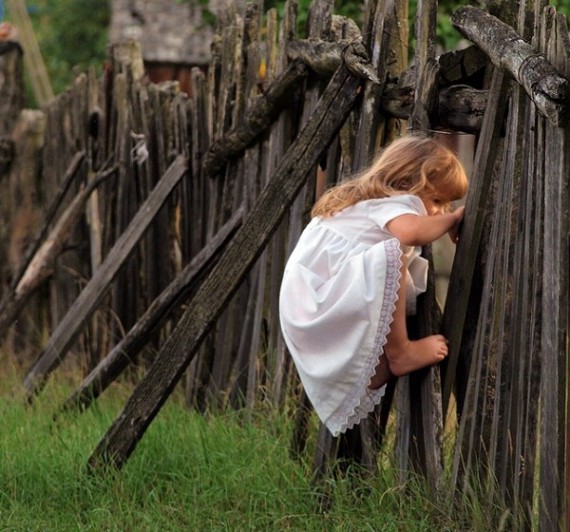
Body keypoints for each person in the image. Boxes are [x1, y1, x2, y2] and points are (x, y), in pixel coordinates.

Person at [279, 135, 468, 437]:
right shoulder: (393, 202)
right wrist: (455, 219)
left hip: (309, 299)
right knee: (392, 254)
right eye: (436, 201)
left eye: (447, 205)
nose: (440, 211)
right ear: (409, 182)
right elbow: (412, 232)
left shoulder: (364, 201)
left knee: (391, 257)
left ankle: (376, 363)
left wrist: (440, 216)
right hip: (319, 297)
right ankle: (400, 351)